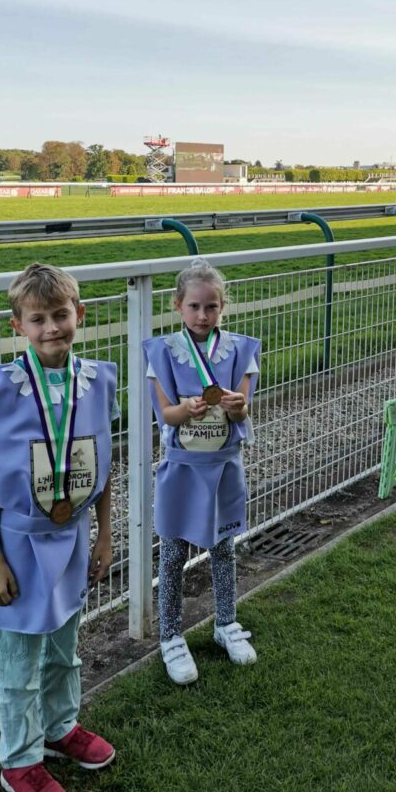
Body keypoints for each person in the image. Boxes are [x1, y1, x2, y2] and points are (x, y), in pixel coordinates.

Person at [0, 262, 117, 792]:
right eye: (38, 319)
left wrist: (103, 535)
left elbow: (103, 462)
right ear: (17, 326)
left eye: (60, 315)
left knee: (64, 648)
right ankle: (19, 759)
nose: (52, 327)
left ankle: (60, 727)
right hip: (21, 546)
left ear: (80, 314)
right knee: (20, 661)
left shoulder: (98, 381)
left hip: (73, 540)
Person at [143, 258, 261, 685]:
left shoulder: (241, 350)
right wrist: (186, 409)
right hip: (182, 469)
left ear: (222, 307)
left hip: (224, 466)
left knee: (224, 547)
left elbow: (244, 408)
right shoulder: (161, 353)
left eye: (211, 307)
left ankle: (225, 622)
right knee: (173, 553)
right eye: (194, 306)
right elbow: (167, 416)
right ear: (178, 305)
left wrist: (236, 405)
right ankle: (171, 635)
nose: (202, 315)